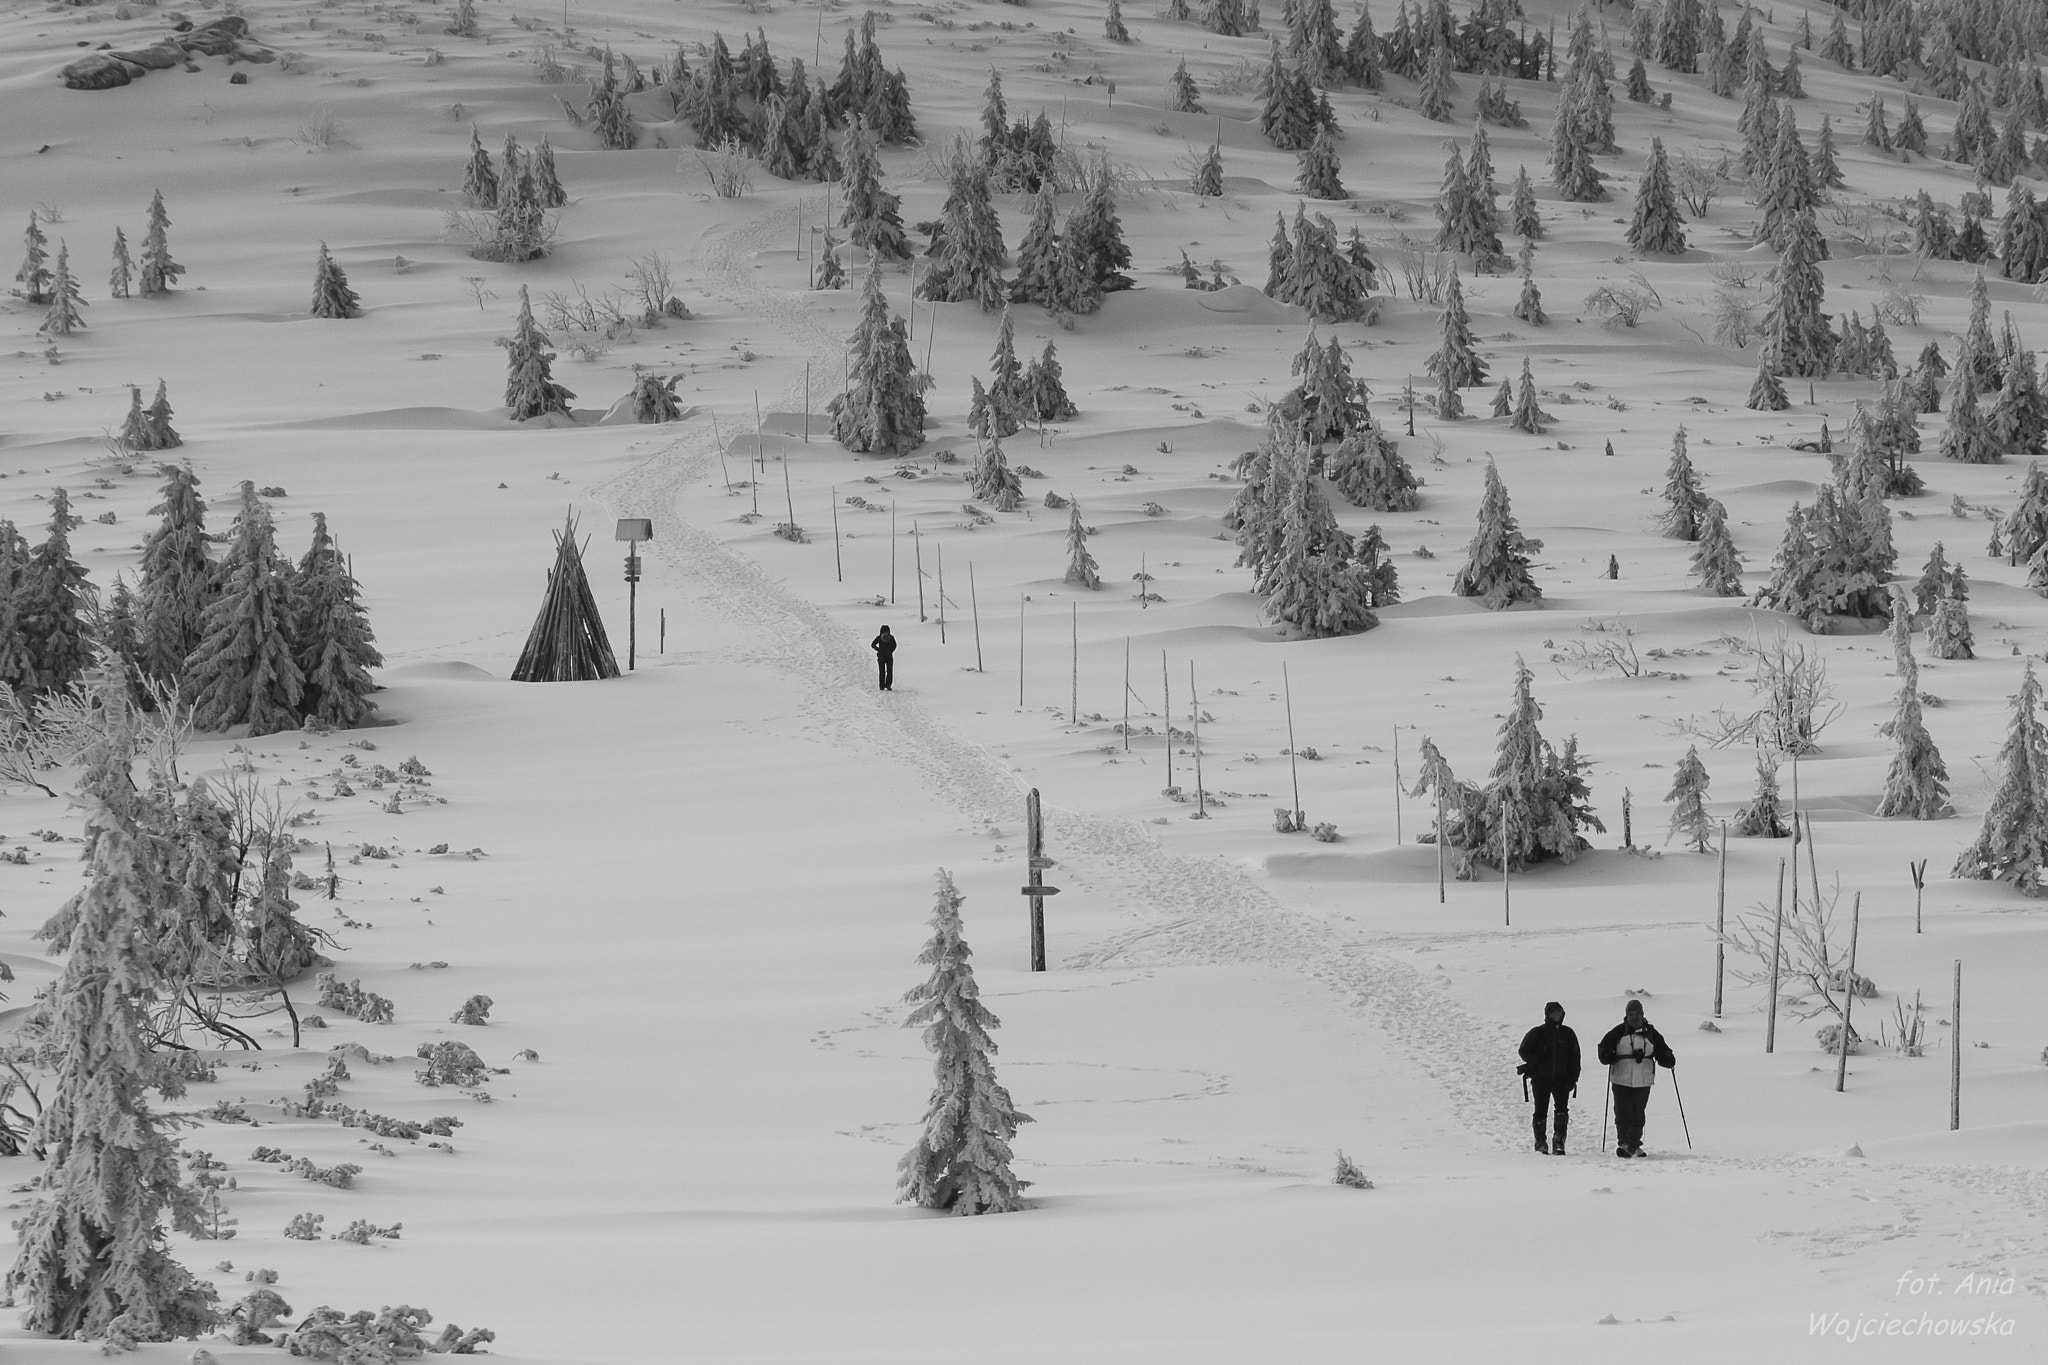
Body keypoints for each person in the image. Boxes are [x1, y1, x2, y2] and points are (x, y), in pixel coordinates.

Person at [1597, 999, 1675, 1158]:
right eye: (1631, 1014)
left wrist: (1667, 1058)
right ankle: (1626, 1143)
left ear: (1642, 1014)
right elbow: (1603, 1047)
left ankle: (1633, 1144)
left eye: (1637, 1014)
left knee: (1638, 1112)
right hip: (1621, 1078)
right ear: (1626, 1016)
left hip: (1643, 1079)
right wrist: (1607, 1056)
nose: (1634, 1017)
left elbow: (1662, 1051)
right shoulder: (1618, 1032)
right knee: (1623, 1111)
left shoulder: (1651, 1033)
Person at [1517, 1001, 1580, 1156]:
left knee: (1561, 1111)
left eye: (1559, 1012)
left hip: (1562, 1079)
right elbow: (1523, 1051)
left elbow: (1575, 1057)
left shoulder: (1568, 1033)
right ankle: (1540, 1142)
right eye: (1553, 1013)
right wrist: (1537, 1059)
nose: (1556, 1016)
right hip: (1540, 1079)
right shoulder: (1537, 1032)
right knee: (1540, 1110)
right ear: (1547, 1015)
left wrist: (1573, 1078)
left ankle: (1559, 1141)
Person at [871, 625, 896, 691]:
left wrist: (879, 650)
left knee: (882, 671)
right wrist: (890, 651)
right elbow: (895, 645)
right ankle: (888, 685)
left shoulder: (879, 638)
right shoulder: (891, 638)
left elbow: (873, 645)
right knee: (889, 671)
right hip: (889, 657)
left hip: (881, 657)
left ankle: (882, 686)